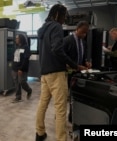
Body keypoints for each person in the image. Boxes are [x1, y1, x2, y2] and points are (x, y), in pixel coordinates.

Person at [35, 4, 87, 141]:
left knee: (42, 104)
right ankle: (61, 139)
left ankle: (39, 133)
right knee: (61, 109)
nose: (64, 20)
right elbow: (57, 49)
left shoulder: (43, 29)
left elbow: (48, 51)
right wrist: (74, 65)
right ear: (58, 14)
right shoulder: (56, 26)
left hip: (44, 73)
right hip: (56, 74)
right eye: (64, 16)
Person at [63, 21, 91, 123]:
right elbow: (62, 57)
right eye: (83, 32)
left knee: (75, 95)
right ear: (77, 28)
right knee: (64, 96)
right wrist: (69, 66)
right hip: (68, 73)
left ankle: (72, 116)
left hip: (79, 73)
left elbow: (83, 56)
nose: (84, 34)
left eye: (86, 33)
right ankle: (60, 115)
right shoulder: (67, 40)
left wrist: (86, 62)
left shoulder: (83, 42)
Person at [11, 34, 32, 103]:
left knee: (22, 81)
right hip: (14, 68)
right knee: (16, 83)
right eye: (16, 38)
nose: (16, 39)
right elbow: (14, 58)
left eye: (17, 38)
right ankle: (18, 97)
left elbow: (26, 59)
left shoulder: (26, 47)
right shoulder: (16, 47)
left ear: (21, 39)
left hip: (21, 69)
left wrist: (21, 69)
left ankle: (29, 90)